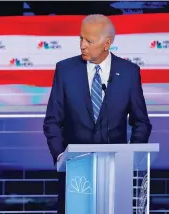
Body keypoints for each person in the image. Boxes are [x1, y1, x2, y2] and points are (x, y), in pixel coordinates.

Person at [43, 14, 152, 214]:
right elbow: (52, 121)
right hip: (74, 171)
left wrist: (129, 159)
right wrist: (61, 158)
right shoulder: (65, 70)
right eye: (80, 38)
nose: (82, 45)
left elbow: (142, 123)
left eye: (89, 41)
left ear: (106, 44)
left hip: (115, 172)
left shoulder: (129, 72)